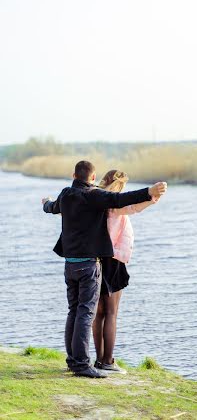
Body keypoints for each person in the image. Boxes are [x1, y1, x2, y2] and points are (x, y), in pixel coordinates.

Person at [42, 159, 167, 378]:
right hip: (88, 265)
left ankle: (74, 360)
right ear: (92, 178)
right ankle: (82, 364)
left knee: (75, 311)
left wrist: (46, 202)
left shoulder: (65, 195)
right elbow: (123, 199)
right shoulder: (94, 196)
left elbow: (51, 208)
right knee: (86, 312)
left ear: (73, 176)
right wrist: (149, 191)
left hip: (69, 265)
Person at [92, 169, 160, 373]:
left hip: (95, 260)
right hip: (113, 261)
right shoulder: (113, 203)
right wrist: (151, 199)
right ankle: (108, 361)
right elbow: (133, 208)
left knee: (98, 314)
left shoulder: (93, 200)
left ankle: (99, 360)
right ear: (119, 185)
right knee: (112, 313)